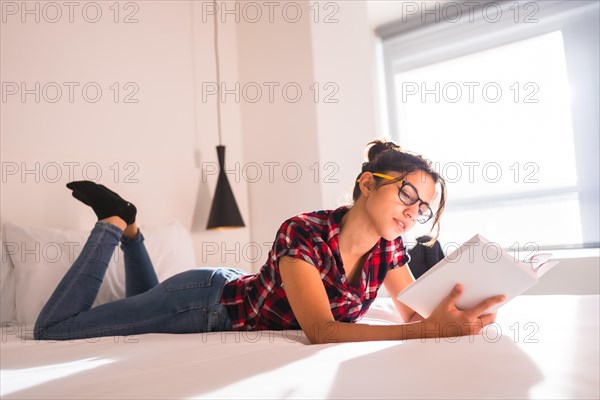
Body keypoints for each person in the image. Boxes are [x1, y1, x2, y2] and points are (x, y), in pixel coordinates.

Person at [34, 140, 505, 344]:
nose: (413, 212)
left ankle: (135, 233)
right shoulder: (302, 231)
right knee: (53, 330)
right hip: (202, 302)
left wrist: (454, 313)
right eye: (407, 193)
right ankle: (113, 223)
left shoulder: (389, 251)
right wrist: (423, 331)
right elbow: (322, 332)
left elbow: (412, 311)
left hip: (225, 290)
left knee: (137, 305)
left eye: (423, 208)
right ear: (366, 183)